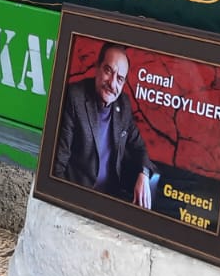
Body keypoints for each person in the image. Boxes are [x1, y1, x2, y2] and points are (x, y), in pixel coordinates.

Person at [53, 42, 153, 208]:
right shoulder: (75, 97)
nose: (113, 83)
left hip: (111, 198)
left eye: (120, 79)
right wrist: (67, 206)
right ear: (97, 67)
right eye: (108, 71)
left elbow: (139, 147)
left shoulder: (123, 105)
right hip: (77, 199)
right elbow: (57, 166)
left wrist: (144, 173)